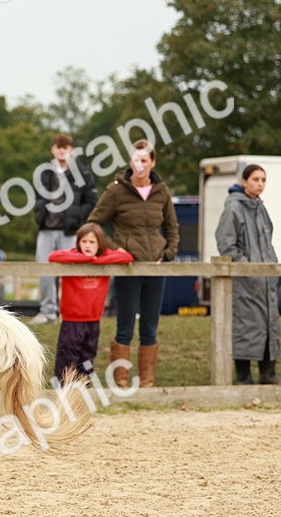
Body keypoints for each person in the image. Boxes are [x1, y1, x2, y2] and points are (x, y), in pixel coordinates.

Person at [86, 139, 179, 389]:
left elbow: (172, 226)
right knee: (125, 325)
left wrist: (169, 252)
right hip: (126, 268)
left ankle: (147, 381)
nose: (140, 165)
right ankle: (121, 380)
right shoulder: (116, 190)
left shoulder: (162, 191)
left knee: (150, 325)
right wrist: (116, 250)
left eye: (145, 160)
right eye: (136, 160)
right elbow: (94, 224)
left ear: (152, 163)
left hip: (155, 267)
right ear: (130, 161)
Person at [215, 165, 281, 385]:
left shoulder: (261, 208)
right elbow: (226, 244)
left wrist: (273, 269)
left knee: (269, 325)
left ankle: (268, 373)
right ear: (244, 181)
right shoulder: (233, 208)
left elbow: (268, 242)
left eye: (263, 179)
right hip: (245, 282)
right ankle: (243, 377)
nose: (260, 184)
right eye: (255, 179)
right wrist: (247, 269)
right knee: (245, 327)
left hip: (266, 280)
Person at [48, 223, 132, 385]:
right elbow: (54, 256)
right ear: (78, 242)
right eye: (84, 241)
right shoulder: (72, 257)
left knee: (88, 355)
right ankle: (63, 388)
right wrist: (86, 258)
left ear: (100, 243)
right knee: (68, 355)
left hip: (93, 319)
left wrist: (98, 260)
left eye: (92, 242)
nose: (87, 245)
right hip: (72, 319)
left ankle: (83, 387)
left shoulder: (103, 258)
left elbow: (126, 257)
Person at [35, 134, 98, 324]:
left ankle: (69, 313)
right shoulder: (44, 172)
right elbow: (36, 197)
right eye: (58, 146)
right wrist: (39, 214)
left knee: (71, 274)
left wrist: (78, 216)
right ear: (52, 149)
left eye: (66, 147)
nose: (62, 150)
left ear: (72, 149)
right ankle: (47, 311)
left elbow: (92, 200)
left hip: (70, 231)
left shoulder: (83, 173)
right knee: (44, 272)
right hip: (46, 229)